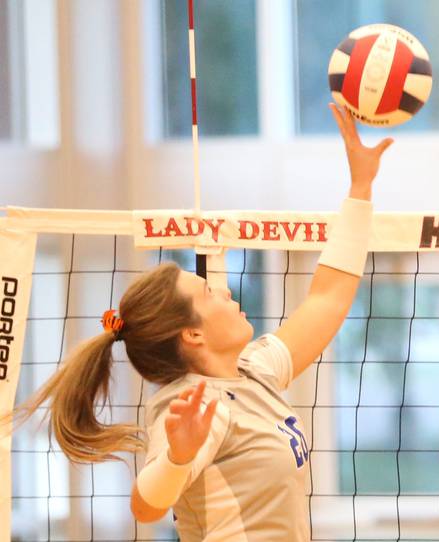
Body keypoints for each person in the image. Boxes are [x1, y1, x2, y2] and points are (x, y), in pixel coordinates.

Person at [11, 104, 393, 540]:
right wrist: (177, 456)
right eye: (209, 292)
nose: (225, 291)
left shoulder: (254, 371)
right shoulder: (193, 406)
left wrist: (360, 186)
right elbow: (146, 506)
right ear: (192, 333)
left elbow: (327, 299)